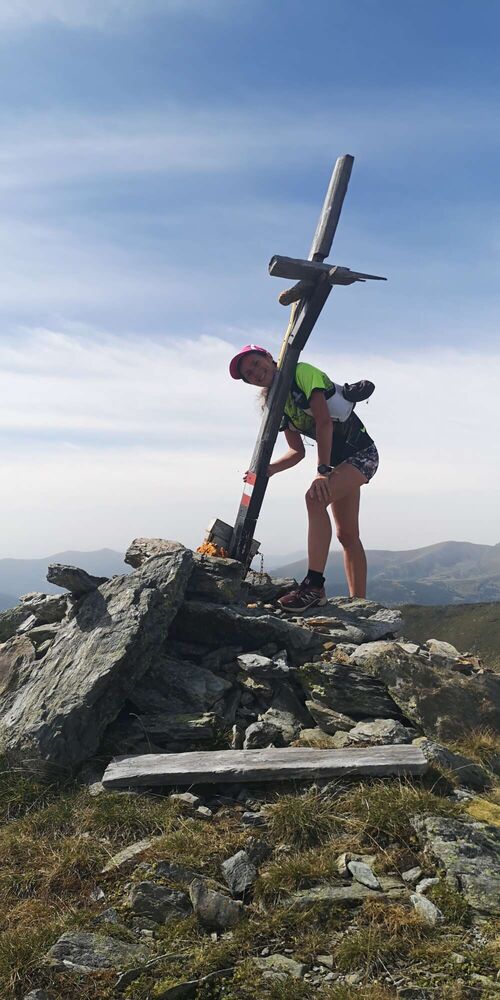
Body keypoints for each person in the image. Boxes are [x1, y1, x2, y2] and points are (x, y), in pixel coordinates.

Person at [229, 344, 379, 611]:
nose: (255, 373)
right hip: (339, 463)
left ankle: (314, 586)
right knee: (347, 535)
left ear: (268, 357)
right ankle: (361, 605)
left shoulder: (302, 373)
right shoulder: (277, 403)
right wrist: (269, 469)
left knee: (314, 498)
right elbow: (296, 451)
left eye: (255, 363)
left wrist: (322, 472)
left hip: (362, 454)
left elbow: (323, 422)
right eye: (248, 374)